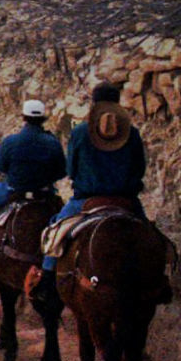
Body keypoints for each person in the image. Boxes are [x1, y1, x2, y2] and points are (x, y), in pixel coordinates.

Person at [40, 84, 145, 272]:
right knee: (151, 236)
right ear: (117, 104)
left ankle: (46, 280)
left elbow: (70, 170)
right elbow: (140, 169)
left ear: (94, 104)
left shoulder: (80, 132)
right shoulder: (133, 133)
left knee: (54, 237)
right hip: (127, 200)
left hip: (85, 201)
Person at [0, 98, 66, 270]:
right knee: (65, 220)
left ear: (24, 117)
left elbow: (0, 166)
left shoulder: (11, 141)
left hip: (13, 190)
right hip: (44, 194)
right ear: (43, 119)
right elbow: (62, 171)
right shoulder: (52, 142)